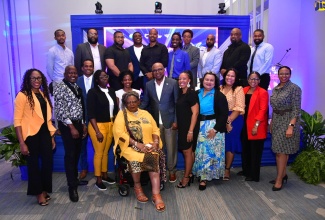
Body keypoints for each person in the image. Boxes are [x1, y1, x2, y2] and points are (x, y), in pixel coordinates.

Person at [113, 91, 166, 212]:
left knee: (152, 157)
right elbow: (119, 133)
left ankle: (156, 195)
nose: (132, 104)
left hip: (149, 145)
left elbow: (155, 129)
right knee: (135, 158)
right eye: (129, 102)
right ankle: (138, 187)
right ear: (125, 104)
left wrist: (156, 142)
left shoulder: (145, 113)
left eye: (134, 101)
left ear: (139, 102)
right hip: (130, 147)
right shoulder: (122, 115)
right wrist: (137, 144)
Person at [14, 69, 56, 206]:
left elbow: (47, 119)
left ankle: (44, 189)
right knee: (33, 166)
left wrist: (52, 137)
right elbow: (17, 121)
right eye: (33, 78)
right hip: (31, 135)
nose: (36, 81)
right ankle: (38, 194)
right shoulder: (22, 95)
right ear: (28, 80)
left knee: (47, 164)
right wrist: (22, 143)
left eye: (38, 78)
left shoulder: (44, 94)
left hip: (44, 134)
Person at [54, 65, 88, 202]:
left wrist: (83, 124)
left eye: (75, 72)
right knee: (70, 156)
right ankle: (71, 187)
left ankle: (75, 180)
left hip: (78, 123)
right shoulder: (60, 87)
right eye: (70, 72)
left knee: (76, 154)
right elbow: (60, 110)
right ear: (65, 74)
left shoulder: (76, 87)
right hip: (68, 126)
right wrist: (72, 127)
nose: (73, 74)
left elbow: (79, 108)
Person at [140, 62, 179, 183]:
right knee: (158, 150)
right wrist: (135, 112)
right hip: (155, 123)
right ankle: (160, 171)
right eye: (155, 70)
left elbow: (177, 103)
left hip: (170, 121)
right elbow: (146, 102)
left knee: (171, 148)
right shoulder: (148, 85)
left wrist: (176, 121)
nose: (157, 72)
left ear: (164, 70)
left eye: (160, 69)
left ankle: (172, 171)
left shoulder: (173, 83)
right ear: (152, 72)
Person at [192, 72, 228, 191]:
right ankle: (200, 173)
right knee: (200, 152)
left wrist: (215, 129)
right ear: (203, 80)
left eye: (211, 80)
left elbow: (223, 115)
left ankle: (205, 178)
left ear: (215, 82)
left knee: (209, 153)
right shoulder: (197, 93)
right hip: (199, 125)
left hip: (212, 126)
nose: (209, 82)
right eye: (207, 79)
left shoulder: (219, 95)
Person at [269, 66, 301, 191]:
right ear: (278, 75)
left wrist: (291, 127)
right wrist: (271, 122)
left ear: (290, 75)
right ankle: (283, 174)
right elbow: (274, 108)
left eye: (286, 73)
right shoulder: (276, 88)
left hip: (288, 121)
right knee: (282, 150)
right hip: (277, 121)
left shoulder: (294, 88)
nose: (284, 76)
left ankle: (279, 179)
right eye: (281, 73)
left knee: (280, 152)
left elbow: (296, 109)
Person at [87, 70, 118, 190]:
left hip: (110, 124)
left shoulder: (111, 91)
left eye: (106, 76)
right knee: (99, 153)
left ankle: (105, 175)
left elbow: (114, 110)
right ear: (97, 80)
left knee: (105, 152)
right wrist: (97, 131)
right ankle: (98, 179)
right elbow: (91, 113)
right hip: (98, 125)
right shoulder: (92, 92)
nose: (105, 78)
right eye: (102, 77)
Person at [241, 72, 268, 182]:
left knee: (255, 152)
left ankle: (254, 175)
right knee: (246, 149)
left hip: (257, 125)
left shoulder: (263, 92)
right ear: (248, 80)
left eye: (256, 79)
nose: (254, 81)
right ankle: (246, 170)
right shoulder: (244, 90)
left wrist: (256, 125)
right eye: (251, 79)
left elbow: (263, 110)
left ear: (259, 80)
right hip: (245, 124)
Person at [46, 29, 74, 131]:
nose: (61, 37)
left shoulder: (70, 52)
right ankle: (58, 128)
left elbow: (72, 66)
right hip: (58, 81)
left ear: (65, 36)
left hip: (69, 82)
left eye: (63, 35)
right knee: (58, 105)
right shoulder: (52, 51)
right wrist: (55, 80)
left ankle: (69, 126)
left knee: (69, 103)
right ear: (55, 38)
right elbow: (49, 67)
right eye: (59, 36)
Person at [220, 68, 245, 180]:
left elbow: (239, 107)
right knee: (221, 144)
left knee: (230, 144)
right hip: (221, 118)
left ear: (236, 78)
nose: (229, 78)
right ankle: (220, 167)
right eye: (228, 75)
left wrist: (228, 122)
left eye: (232, 76)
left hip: (234, 119)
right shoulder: (219, 88)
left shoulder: (238, 89)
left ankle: (227, 169)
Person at [176, 71, 199, 188]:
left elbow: (195, 113)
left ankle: (186, 178)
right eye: (180, 79)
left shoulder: (191, 93)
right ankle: (189, 174)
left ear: (189, 80)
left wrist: (190, 131)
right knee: (189, 152)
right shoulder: (181, 93)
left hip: (189, 127)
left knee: (187, 152)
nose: (181, 81)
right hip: (182, 126)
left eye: (184, 78)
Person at [76, 59, 95, 180]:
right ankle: (83, 168)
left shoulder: (98, 81)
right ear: (82, 68)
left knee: (97, 146)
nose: (88, 68)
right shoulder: (76, 81)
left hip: (95, 119)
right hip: (80, 118)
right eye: (86, 66)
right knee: (82, 146)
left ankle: (99, 169)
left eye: (90, 66)